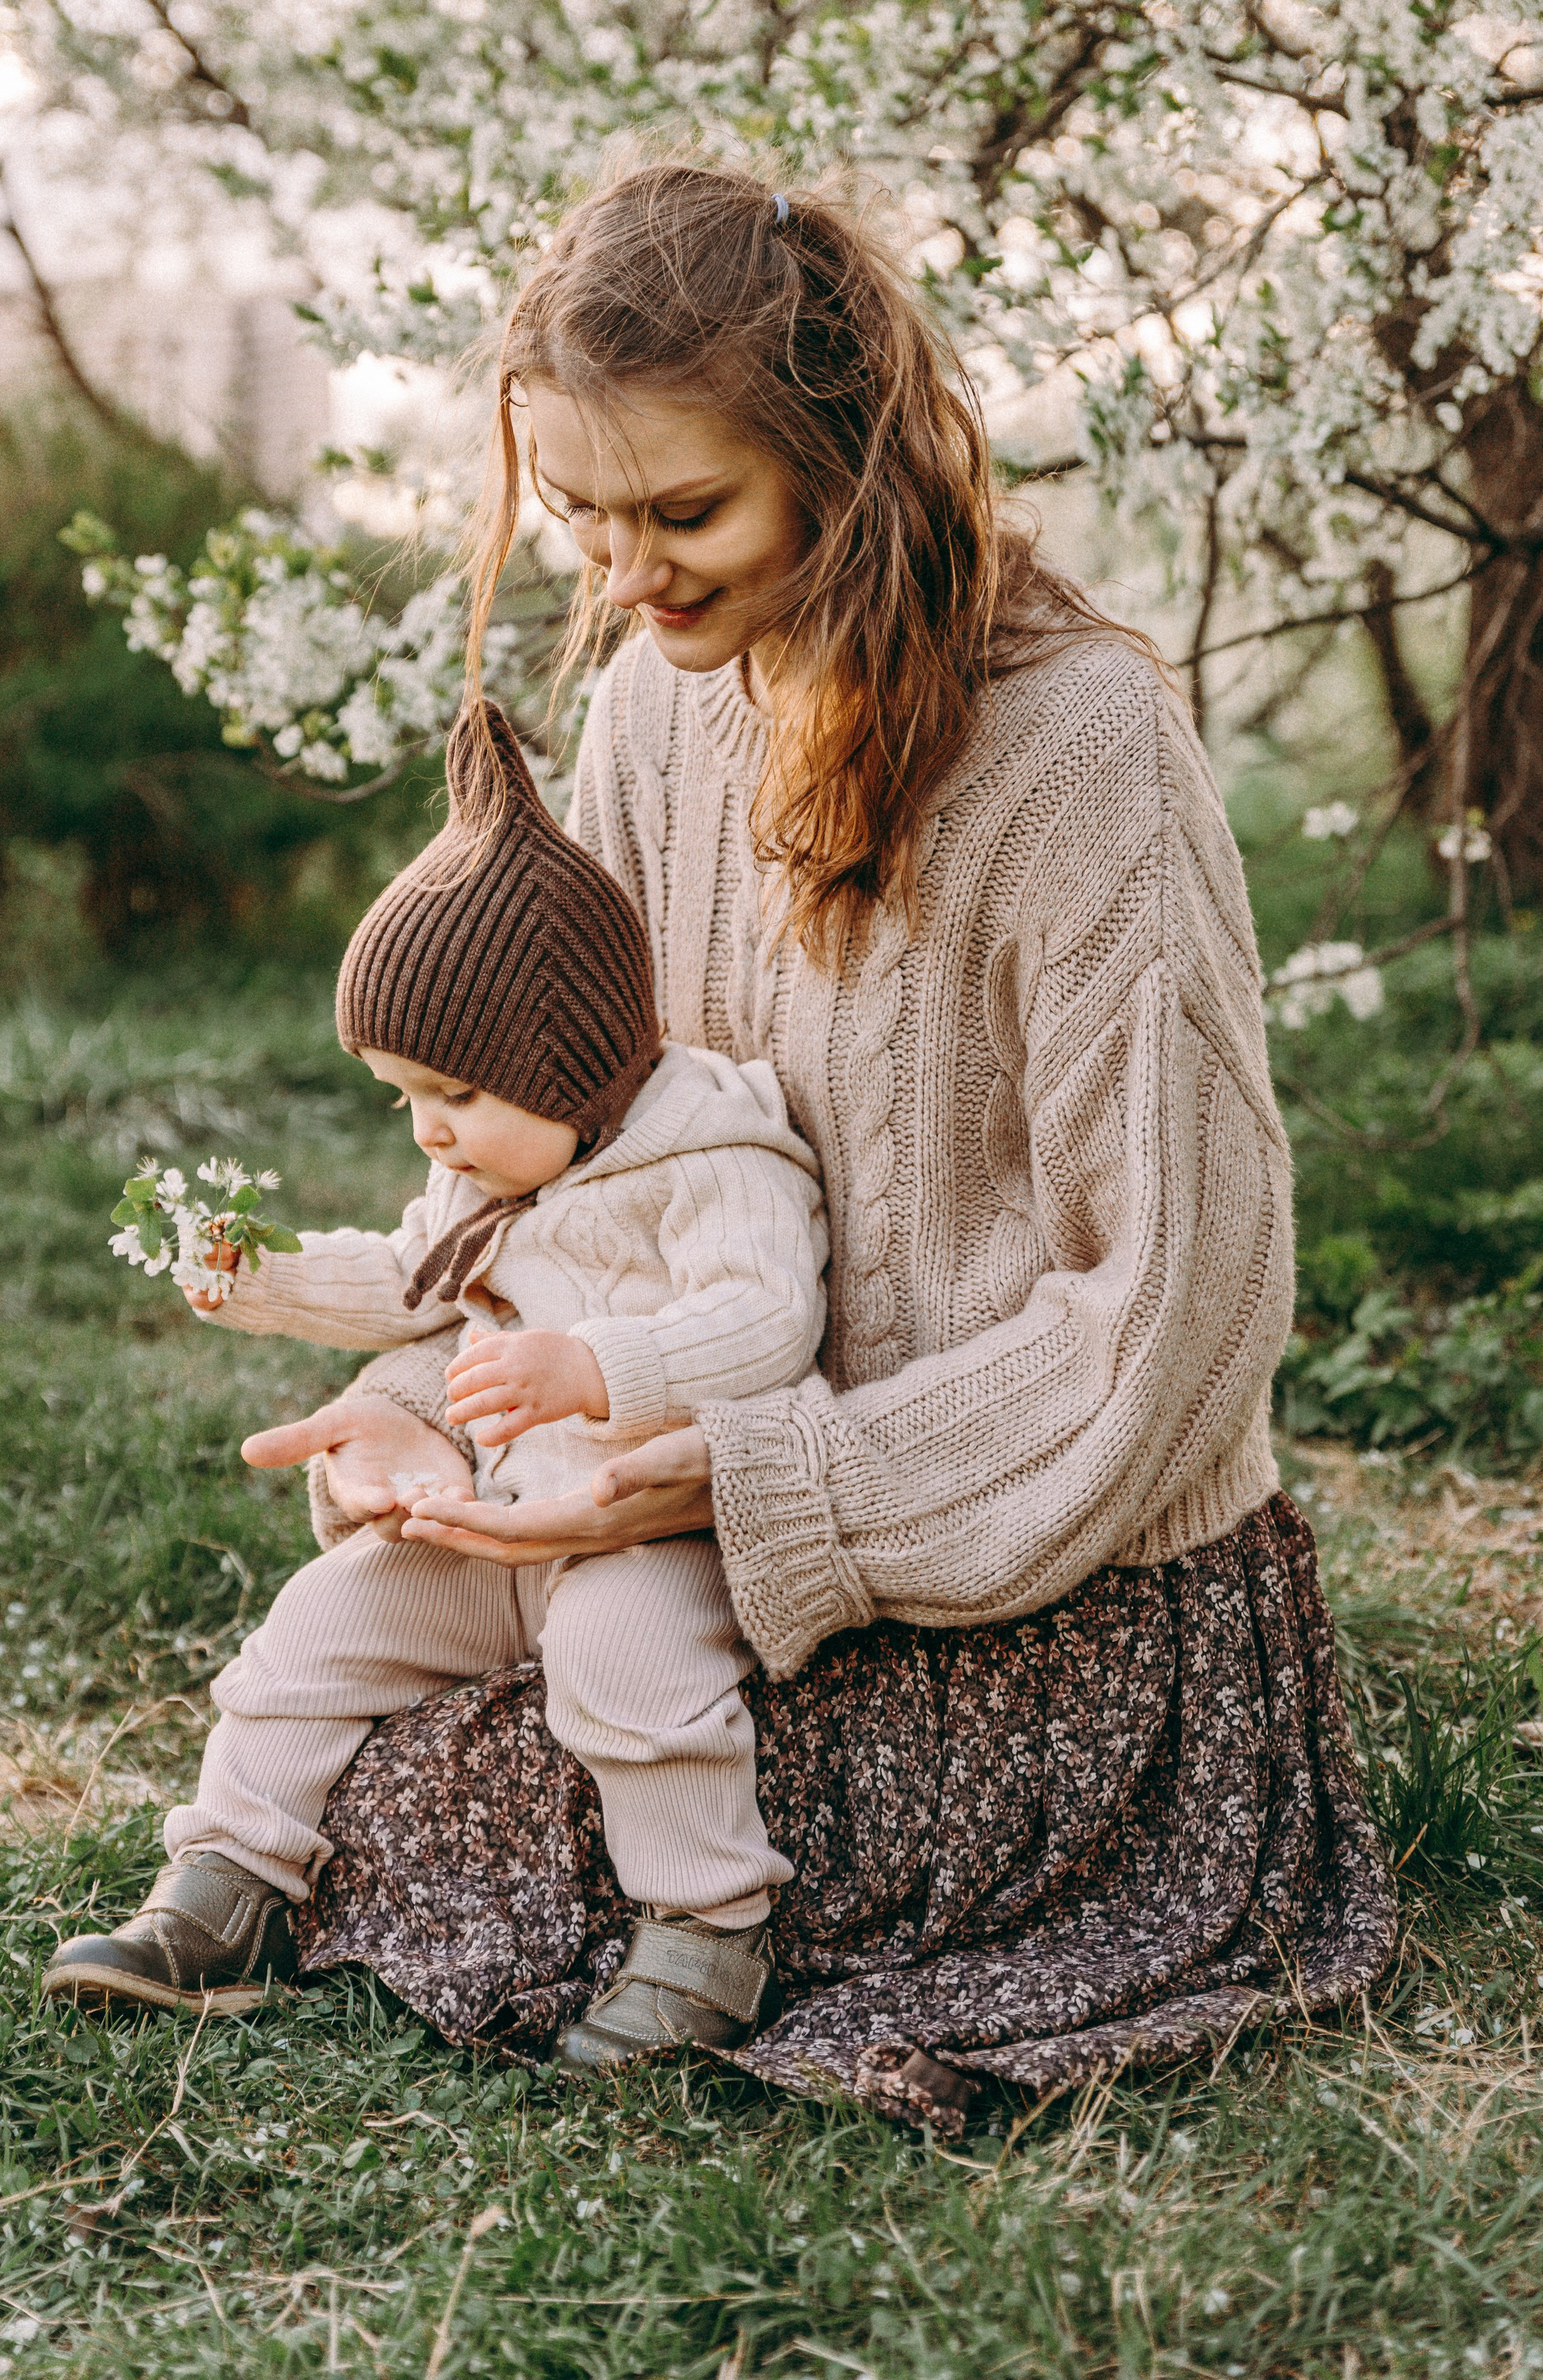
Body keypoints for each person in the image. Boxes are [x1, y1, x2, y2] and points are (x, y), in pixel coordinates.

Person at [254, 158, 1396, 2128]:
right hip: (709, 1520)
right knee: (364, 1748)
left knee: (556, 1847)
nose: (624, 581)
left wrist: (769, 1479)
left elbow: (1177, 1312)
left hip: (1047, 1552)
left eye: (684, 513)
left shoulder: (1082, 748)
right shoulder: (646, 707)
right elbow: (572, 1167)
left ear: (852, 457)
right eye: (586, 522)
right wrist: (442, 1411)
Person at [43, 706, 828, 2064]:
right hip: (496, 1525)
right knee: (315, 1626)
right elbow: (410, 1273)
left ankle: (703, 1936)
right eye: (400, 1095)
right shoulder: (492, 1168)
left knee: (621, 1662)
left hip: (652, 1527)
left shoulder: (713, 1160)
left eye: (450, 1090)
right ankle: (229, 1890)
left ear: (566, 1056)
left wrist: (599, 1366)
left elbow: (767, 1321)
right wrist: (261, 1274)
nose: (427, 1129)